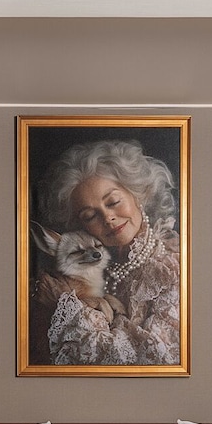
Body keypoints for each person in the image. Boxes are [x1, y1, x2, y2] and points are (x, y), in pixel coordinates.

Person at [31, 139, 181, 365]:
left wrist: (67, 307)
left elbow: (155, 361)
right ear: (81, 226)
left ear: (138, 194)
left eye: (113, 201)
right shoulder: (95, 268)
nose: (108, 218)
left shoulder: (173, 268)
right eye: (90, 216)